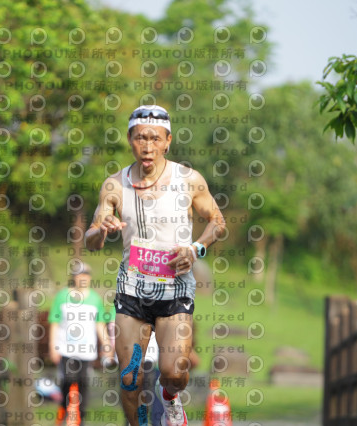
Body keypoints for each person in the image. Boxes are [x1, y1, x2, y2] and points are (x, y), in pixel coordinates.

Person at [85, 105, 226, 426]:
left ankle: (170, 397)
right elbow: (91, 240)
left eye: (155, 139)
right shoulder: (114, 185)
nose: (147, 146)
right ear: (129, 139)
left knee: (174, 372)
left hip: (175, 291)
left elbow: (217, 222)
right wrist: (102, 229)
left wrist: (196, 248)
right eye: (140, 138)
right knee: (129, 377)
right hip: (132, 291)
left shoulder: (188, 180)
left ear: (168, 141)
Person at [48, 262, 113, 424]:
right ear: (74, 277)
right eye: (79, 275)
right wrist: (53, 347)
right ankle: (64, 410)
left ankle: (80, 418)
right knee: (68, 380)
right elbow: (55, 323)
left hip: (86, 350)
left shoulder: (95, 299)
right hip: (65, 348)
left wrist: (107, 344)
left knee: (83, 384)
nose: (82, 278)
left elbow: (99, 324)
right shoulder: (62, 296)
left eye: (85, 274)